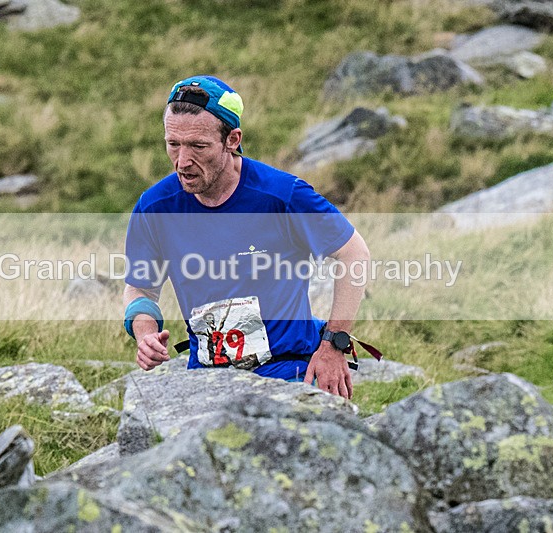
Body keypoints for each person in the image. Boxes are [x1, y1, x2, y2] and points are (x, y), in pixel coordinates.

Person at [122, 75, 370, 399]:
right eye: (173, 144)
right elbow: (140, 287)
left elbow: (354, 254)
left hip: (287, 372)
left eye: (198, 146)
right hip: (208, 380)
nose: (182, 162)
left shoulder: (282, 195)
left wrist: (334, 345)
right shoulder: (155, 207)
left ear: (232, 139)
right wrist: (145, 333)